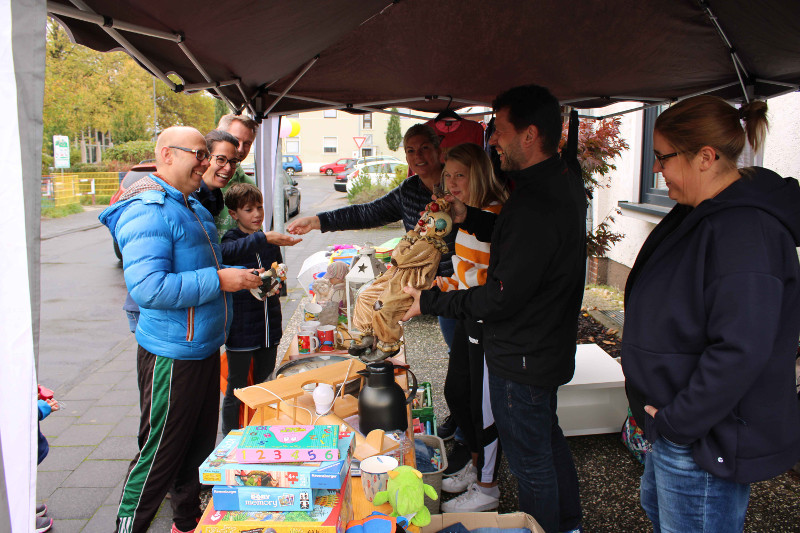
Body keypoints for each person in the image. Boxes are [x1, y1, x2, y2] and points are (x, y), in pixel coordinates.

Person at [403, 85, 586, 533]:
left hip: (522, 353)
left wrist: (431, 300)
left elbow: (501, 295)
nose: (493, 141)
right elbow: (515, 233)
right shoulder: (554, 182)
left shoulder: (538, 202)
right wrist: (472, 217)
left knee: (531, 462)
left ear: (529, 134)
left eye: (499, 131)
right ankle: (570, 523)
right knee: (547, 441)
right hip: (543, 348)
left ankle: (547, 526)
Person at [621, 95, 800, 532]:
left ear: (706, 157)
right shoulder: (697, 213)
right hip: (673, 424)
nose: (656, 169)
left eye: (662, 157)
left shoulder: (746, 231)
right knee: (660, 514)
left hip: (702, 437)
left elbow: (741, 349)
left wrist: (679, 423)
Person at [99, 126, 263, 533]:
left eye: (209, 155)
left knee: (195, 451)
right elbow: (150, 288)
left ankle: (186, 524)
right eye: (200, 154)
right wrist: (220, 281)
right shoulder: (148, 210)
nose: (206, 163)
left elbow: (197, 265)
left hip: (203, 347)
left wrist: (234, 274)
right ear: (167, 155)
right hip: (172, 354)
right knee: (159, 457)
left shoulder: (189, 204)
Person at [286, 123, 459, 345]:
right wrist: (318, 221)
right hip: (430, 285)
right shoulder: (408, 190)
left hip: (461, 282)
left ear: (438, 150)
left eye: (424, 148)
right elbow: (367, 213)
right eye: (411, 150)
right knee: (455, 350)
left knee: (468, 350)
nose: (418, 156)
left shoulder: (457, 183)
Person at [432, 143, 508, 513]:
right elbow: (463, 274)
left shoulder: (497, 216)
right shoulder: (464, 217)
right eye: (447, 175)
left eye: (459, 174)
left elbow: (494, 284)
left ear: (478, 174)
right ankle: (477, 467)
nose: (452, 182)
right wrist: (435, 287)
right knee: (457, 393)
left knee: (482, 406)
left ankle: (488, 488)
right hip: (466, 314)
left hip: (488, 323)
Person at [219, 183, 296, 435]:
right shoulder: (231, 240)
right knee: (237, 387)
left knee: (266, 383)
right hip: (241, 330)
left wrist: (277, 279)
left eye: (260, 207)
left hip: (269, 327)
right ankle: (231, 434)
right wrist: (262, 238)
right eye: (248, 209)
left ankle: (262, 431)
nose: (256, 214)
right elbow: (227, 253)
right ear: (233, 214)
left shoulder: (269, 242)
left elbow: (278, 274)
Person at [214, 114, 259, 237]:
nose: (240, 149)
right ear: (218, 134)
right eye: (235, 140)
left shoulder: (249, 185)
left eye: (247, 144)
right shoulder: (196, 182)